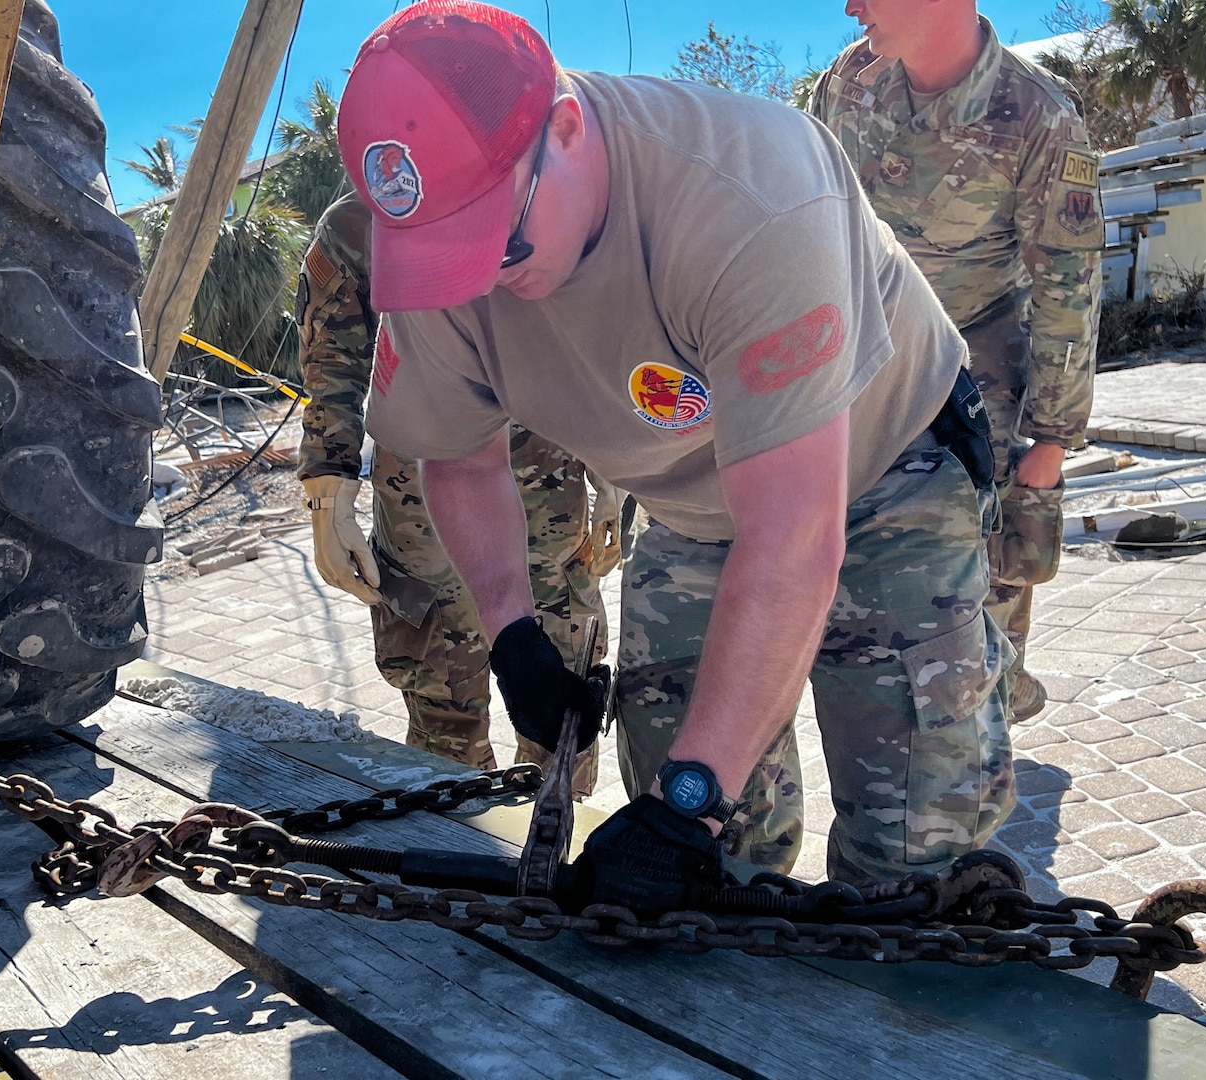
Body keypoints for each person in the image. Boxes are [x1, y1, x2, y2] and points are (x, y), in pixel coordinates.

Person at [335, 0, 1014, 901]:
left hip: (879, 469)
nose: (478, 280)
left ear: (567, 129)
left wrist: (688, 802)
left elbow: (794, 536)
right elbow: (458, 458)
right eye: (442, 257)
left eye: (494, 241)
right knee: (695, 877)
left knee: (909, 855)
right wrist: (513, 636)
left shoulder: (752, 192)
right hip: (692, 507)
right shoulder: (442, 254)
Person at [807, 0, 1103, 724]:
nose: (851, 7)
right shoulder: (847, 84)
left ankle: (990, 726)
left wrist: (1052, 441)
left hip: (978, 369)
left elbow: (1067, 286)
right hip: (862, 361)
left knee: (987, 581)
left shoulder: (1039, 117)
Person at [296, 186, 622, 792]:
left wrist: (612, 481)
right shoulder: (358, 223)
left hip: (550, 501)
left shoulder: (542, 192)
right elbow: (333, 366)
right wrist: (327, 497)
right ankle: (461, 853)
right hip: (425, 506)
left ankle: (558, 863)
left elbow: (595, 345)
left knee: (562, 710)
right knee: (444, 713)